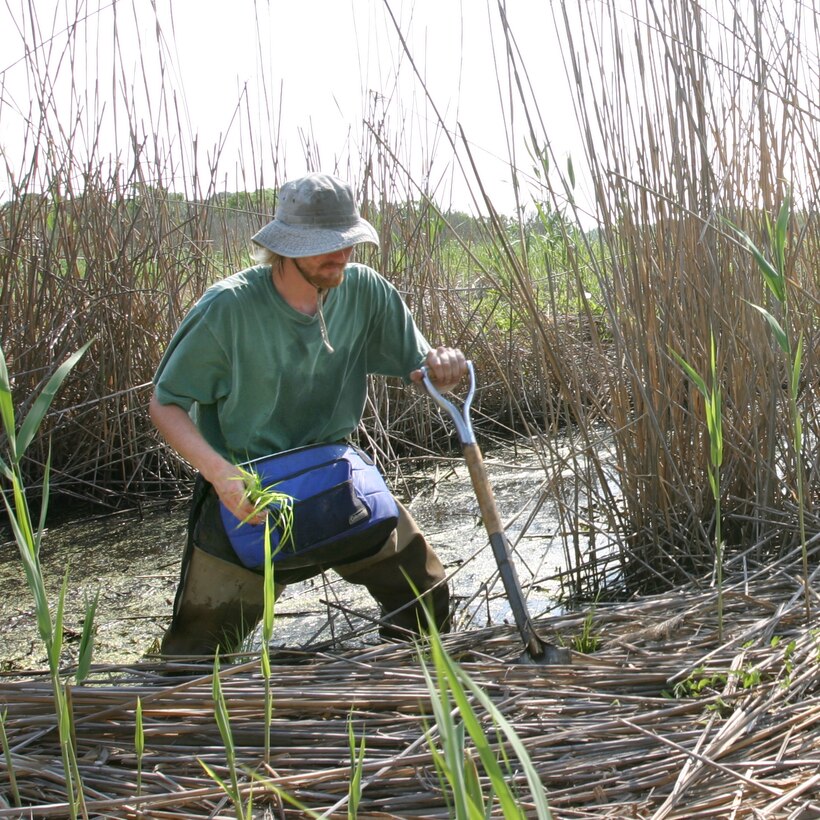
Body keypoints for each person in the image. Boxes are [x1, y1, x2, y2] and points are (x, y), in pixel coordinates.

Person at [150, 172, 467, 656]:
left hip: (337, 482)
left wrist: (441, 369)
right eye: (323, 245)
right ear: (286, 246)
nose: (340, 255)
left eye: (347, 243)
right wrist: (221, 476)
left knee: (425, 598)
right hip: (249, 495)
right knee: (196, 656)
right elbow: (165, 402)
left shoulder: (364, 290)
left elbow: (421, 370)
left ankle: (401, 704)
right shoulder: (228, 309)